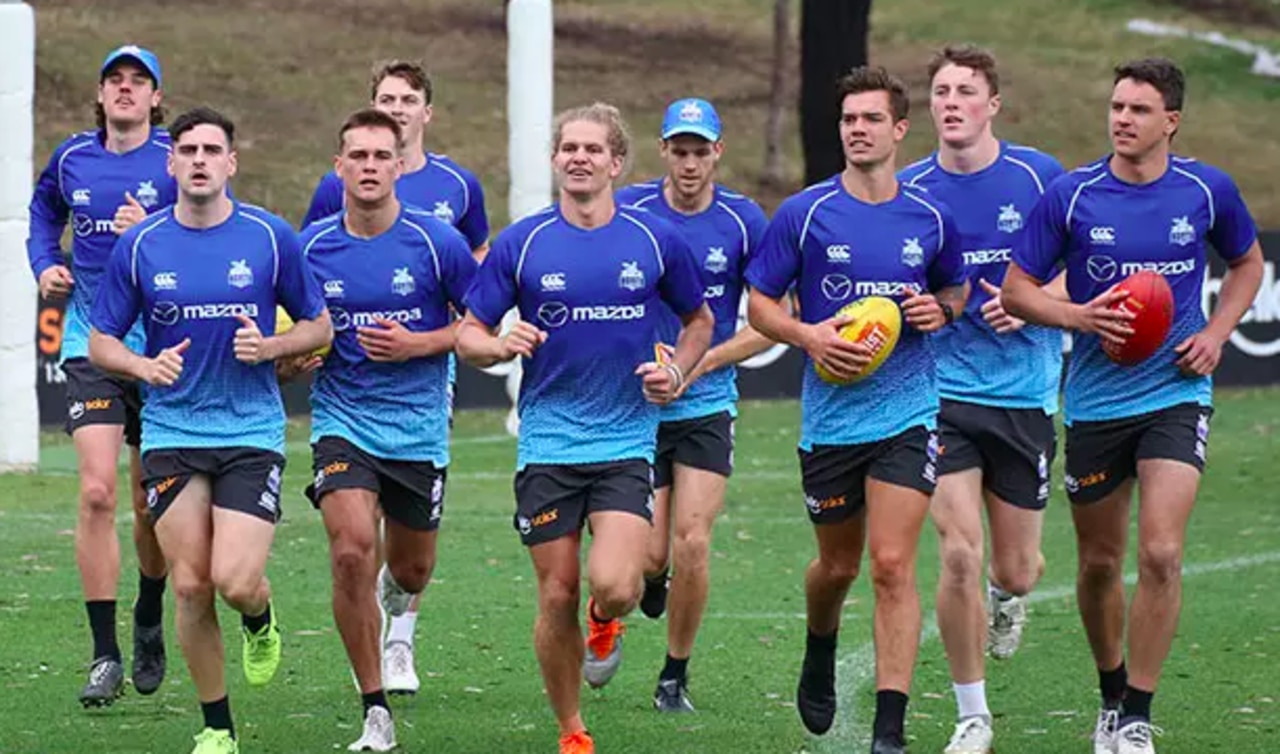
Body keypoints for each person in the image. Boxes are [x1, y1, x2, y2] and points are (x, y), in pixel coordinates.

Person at [1002, 58, 1263, 754]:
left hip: (1176, 393)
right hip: (1093, 402)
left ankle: (1140, 715)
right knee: (1098, 563)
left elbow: (1248, 264)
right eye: (1117, 106)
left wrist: (1214, 333)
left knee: (1162, 552)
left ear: (1170, 121)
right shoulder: (1071, 195)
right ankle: (1111, 692)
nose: (1122, 119)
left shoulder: (1206, 192)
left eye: (1139, 109)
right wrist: (1079, 317)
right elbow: (1016, 290)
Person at [457, 103, 713, 754]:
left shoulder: (655, 240)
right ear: (554, 160)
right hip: (547, 445)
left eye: (592, 149)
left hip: (626, 442)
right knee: (556, 591)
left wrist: (678, 373)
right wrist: (500, 344)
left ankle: (606, 622)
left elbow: (699, 323)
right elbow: (468, 333)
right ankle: (573, 732)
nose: (578, 157)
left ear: (616, 163)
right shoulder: (524, 242)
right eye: (568, 147)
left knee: (617, 585)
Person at [88, 107, 332, 754]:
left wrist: (275, 346)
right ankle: (217, 727)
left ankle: (259, 615)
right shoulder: (140, 246)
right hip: (171, 430)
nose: (199, 159)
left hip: (250, 430)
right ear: (170, 164)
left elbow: (320, 326)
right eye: (187, 149)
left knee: (234, 579)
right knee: (191, 584)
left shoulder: (271, 236)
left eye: (211, 149)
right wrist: (144, 365)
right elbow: (99, 339)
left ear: (231, 162)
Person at [745, 66, 968, 754]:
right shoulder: (806, 214)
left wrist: (942, 309)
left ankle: (889, 728)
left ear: (900, 129)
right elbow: (758, 304)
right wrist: (809, 335)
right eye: (849, 120)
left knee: (892, 564)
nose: (858, 130)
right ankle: (821, 642)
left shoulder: (930, 217)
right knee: (836, 568)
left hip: (908, 412)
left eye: (871, 119)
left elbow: (955, 290)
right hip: (831, 418)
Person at [897, 44, 1065, 753]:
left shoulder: (1041, 178)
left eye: (967, 91)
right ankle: (973, 715)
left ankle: (1008, 598)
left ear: (993, 104)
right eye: (941, 91)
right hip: (936, 393)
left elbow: (1087, 275)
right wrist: (920, 308)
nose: (952, 102)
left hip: (1024, 393)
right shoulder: (906, 189)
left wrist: (1034, 302)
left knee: (1014, 567)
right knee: (957, 554)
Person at [303, 60, 490, 693]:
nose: (370, 165)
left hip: (419, 407)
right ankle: (373, 695)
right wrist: (299, 348)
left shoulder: (447, 218)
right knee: (352, 545)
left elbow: (478, 316)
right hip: (343, 412)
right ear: (342, 164)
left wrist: (419, 343)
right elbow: (301, 308)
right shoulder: (318, 229)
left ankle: (401, 611)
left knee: (410, 569)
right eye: (388, 99)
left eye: (409, 101)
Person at [26, 44, 175, 706]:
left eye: (137, 81)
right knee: (94, 493)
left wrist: (155, 230)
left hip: (163, 350)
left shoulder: (178, 158)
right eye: (113, 78)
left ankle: (148, 613)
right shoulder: (71, 158)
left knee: (149, 505)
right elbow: (42, 213)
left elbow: (211, 230)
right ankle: (105, 654)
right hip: (92, 342)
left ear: (154, 98)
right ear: (101, 93)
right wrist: (42, 263)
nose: (124, 89)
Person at [614, 97, 773, 713]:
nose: (688, 163)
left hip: (706, 401)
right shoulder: (630, 210)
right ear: (662, 153)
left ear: (717, 154)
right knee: (650, 557)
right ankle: (640, 590)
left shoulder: (742, 220)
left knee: (694, 543)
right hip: (637, 406)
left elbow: (769, 320)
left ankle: (674, 673)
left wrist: (697, 364)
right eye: (678, 151)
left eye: (699, 151)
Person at [302, 60, 489, 257]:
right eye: (387, 100)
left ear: (427, 113)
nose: (397, 109)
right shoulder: (337, 184)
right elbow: (310, 254)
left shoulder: (460, 184)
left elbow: (478, 250)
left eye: (409, 100)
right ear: (373, 109)